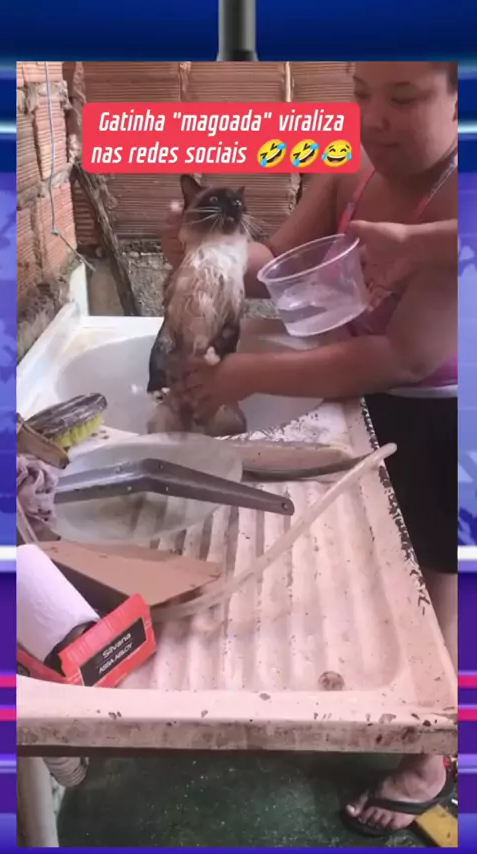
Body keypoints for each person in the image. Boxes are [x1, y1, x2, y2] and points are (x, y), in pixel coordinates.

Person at [161, 62, 457, 837]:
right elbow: (278, 272)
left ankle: (431, 753)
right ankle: (381, 691)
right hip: (353, 385)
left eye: (403, 97)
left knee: (434, 577)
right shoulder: (350, 166)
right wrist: (213, 248)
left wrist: (248, 374)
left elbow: (407, 358)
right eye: (361, 95)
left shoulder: (456, 198)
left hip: (442, 415)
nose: (374, 117)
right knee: (373, 562)